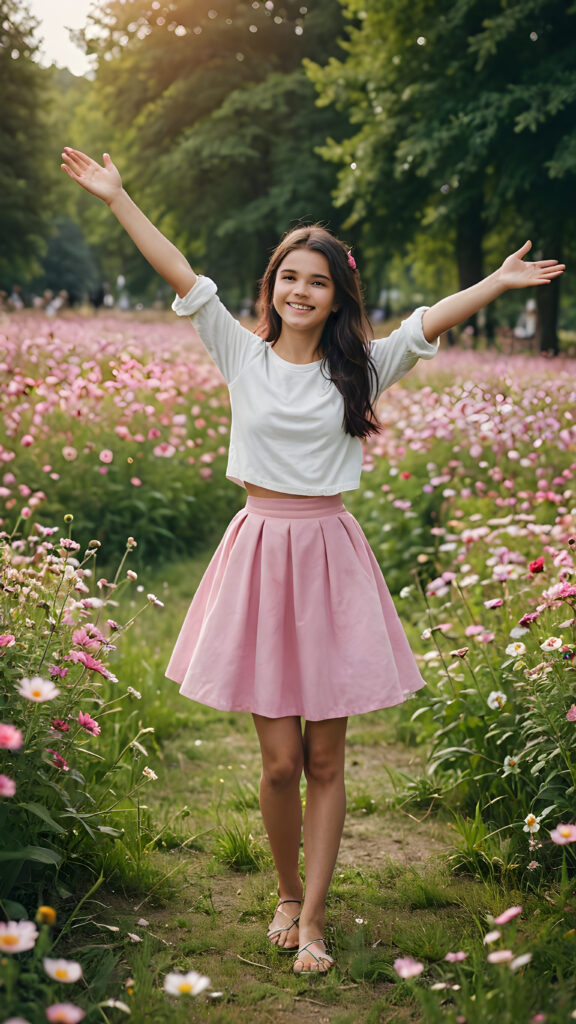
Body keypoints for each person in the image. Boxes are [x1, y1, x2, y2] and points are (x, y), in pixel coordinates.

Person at [61, 147, 565, 975]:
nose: (300, 290)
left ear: (337, 296)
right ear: (273, 289)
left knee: (327, 758)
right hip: (259, 551)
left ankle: (318, 920)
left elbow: (429, 321)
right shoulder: (241, 354)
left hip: (331, 556)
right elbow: (182, 271)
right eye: (288, 277)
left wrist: (498, 285)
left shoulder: (361, 368)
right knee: (279, 761)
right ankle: (286, 893)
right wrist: (119, 197)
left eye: (318, 281)